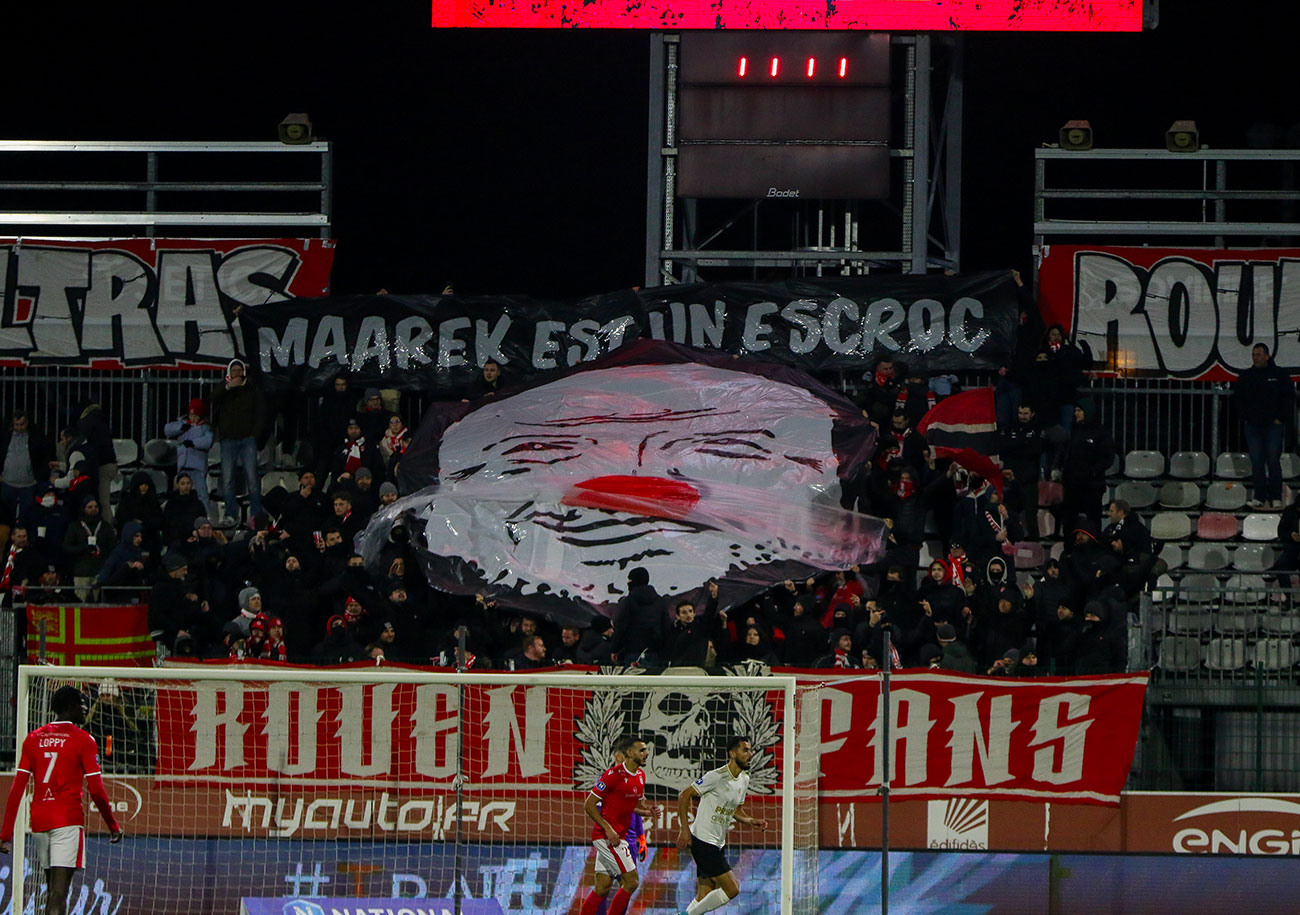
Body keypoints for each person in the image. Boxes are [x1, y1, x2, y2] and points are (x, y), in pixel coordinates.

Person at [0, 686, 123, 915]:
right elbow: (96, 790)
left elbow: (17, 789)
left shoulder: (33, 738)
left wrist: (5, 834)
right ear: (69, 707)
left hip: (39, 822)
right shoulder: (84, 740)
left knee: (52, 890)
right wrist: (113, 826)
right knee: (59, 893)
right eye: (81, 702)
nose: (85, 707)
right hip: (67, 821)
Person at [675, 736, 767, 915]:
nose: (751, 754)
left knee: (704, 895)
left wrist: (750, 820)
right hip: (703, 841)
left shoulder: (744, 780)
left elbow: (736, 810)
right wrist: (684, 830)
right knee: (732, 889)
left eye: (751, 750)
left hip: (717, 843)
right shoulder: (716, 776)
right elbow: (684, 796)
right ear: (732, 754)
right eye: (745, 750)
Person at [579, 736, 650, 915]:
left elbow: (632, 805)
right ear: (628, 753)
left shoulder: (641, 776)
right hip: (608, 837)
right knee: (631, 882)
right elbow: (589, 804)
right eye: (641, 750)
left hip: (621, 835)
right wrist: (608, 829)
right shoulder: (612, 776)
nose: (646, 753)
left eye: (646, 749)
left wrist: (647, 811)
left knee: (602, 886)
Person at [1234, 342, 1294, 510]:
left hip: (1273, 426)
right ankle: (1259, 496)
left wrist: (1280, 419)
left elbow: (1288, 398)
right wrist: (1245, 418)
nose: (1255, 357)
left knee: (1273, 461)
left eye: (1259, 354)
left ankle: (1276, 496)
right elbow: (1238, 399)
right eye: (1253, 355)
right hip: (1253, 426)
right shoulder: (1246, 376)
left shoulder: (1279, 374)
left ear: (1267, 356)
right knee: (1257, 461)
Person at [210, 358, 267, 523]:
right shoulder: (224, 388)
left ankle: (255, 515)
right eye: (233, 370)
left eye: (239, 370)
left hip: (247, 440)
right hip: (228, 440)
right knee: (227, 480)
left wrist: (254, 434)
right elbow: (212, 398)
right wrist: (228, 387)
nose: (236, 373)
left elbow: (261, 412)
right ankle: (230, 515)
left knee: (252, 479)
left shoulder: (252, 388)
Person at [163, 398, 214, 510]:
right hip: (182, 467)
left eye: (196, 415)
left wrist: (193, 443)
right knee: (179, 494)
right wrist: (181, 428)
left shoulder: (205, 428)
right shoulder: (183, 423)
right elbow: (167, 429)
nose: (193, 418)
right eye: (191, 415)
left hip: (197, 468)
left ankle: (204, 516)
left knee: (201, 494)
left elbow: (207, 441)